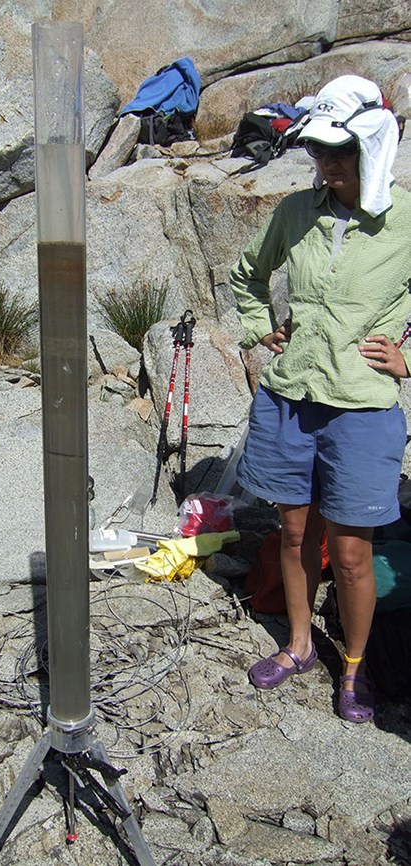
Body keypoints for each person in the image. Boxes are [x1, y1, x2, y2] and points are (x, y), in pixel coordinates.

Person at [230, 74, 411, 724]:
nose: (327, 163)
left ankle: (355, 670)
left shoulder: (404, 219)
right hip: (290, 401)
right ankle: (301, 646)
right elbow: (247, 276)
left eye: (340, 150)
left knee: (355, 551)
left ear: (373, 145)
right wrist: (261, 329)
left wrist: (407, 358)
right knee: (294, 530)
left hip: (363, 408)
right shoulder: (294, 213)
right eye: (317, 150)